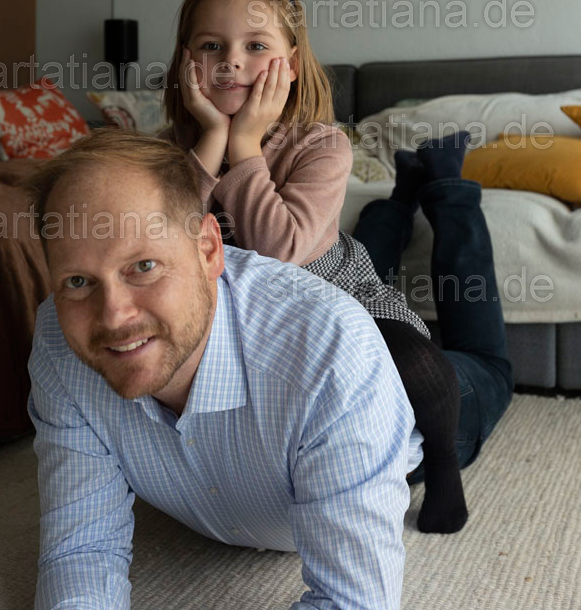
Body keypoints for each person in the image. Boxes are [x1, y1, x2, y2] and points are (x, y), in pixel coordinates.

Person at [162, 0, 514, 534]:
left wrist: (244, 144)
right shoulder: (167, 156)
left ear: (292, 64)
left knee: (452, 364)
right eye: (210, 45)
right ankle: (399, 197)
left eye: (256, 45)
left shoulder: (321, 144)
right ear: (185, 61)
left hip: (347, 300)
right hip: (278, 311)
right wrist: (211, 141)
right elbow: (160, 243)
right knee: (357, 237)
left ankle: (445, 183)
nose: (231, 61)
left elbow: (280, 254)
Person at [27, 130, 420, 610]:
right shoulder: (60, 339)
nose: (112, 317)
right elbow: (81, 549)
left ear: (210, 249)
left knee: (480, 369)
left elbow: (353, 603)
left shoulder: (334, 353)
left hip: (414, 428)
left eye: (143, 266)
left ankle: (432, 197)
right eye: (78, 280)